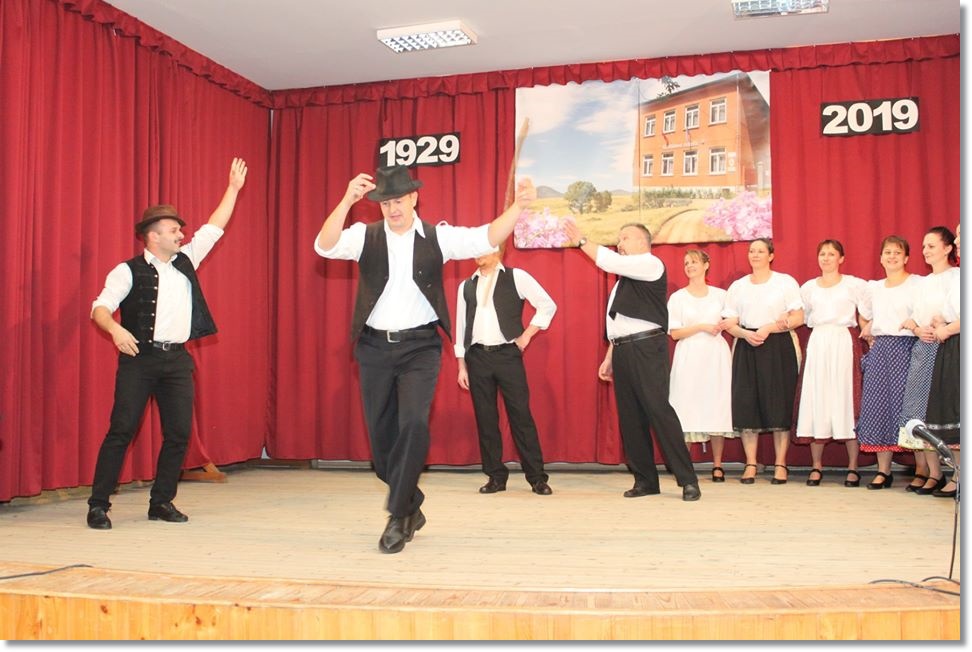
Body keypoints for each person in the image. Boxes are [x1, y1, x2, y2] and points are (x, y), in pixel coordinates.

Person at [315, 164, 535, 554]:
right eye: (385, 202)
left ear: (414, 198)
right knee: (381, 447)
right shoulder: (365, 236)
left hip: (420, 348)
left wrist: (518, 207)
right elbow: (324, 246)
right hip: (373, 349)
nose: (393, 209)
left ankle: (398, 516)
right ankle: (411, 505)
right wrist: (347, 200)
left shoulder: (438, 237)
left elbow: (486, 235)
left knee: (414, 424)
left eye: (399, 200)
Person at [86, 158, 248, 530]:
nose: (181, 235)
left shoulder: (187, 261)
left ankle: (161, 502)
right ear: (153, 235)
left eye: (180, 230)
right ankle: (98, 505)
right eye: (174, 230)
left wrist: (233, 189)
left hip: (177, 360)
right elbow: (100, 308)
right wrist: (115, 330)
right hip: (139, 360)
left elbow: (215, 227)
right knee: (121, 430)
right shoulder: (127, 270)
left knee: (178, 433)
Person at [564, 220, 701, 502]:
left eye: (625, 238)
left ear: (642, 242)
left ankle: (688, 480)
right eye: (619, 238)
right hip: (623, 350)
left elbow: (610, 261)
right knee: (631, 418)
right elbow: (619, 323)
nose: (620, 243)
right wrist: (610, 355)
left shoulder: (651, 264)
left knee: (658, 411)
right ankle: (645, 480)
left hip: (647, 347)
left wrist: (582, 241)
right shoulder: (623, 281)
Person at [454, 244, 556, 495]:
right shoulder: (466, 286)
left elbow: (547, 305)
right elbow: (461, 326)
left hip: (507, 355)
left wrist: (526, 336)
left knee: (521, 416)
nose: (477, 253)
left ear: (497, 251)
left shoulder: (516, 277)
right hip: (477, 357)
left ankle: (537, 478)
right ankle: (495, 477)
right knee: (486, 419)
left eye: (483, 248)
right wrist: (461, 365)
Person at [720, 238, 804, 485]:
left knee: (780, 404)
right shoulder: (738, 287)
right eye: (751, 251)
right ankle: (750, 463)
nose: (755, 255)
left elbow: (798, 317)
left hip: (779, 346)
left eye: (760, 251)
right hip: (747, 345)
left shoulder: (785, 282)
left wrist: (769, 328)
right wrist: (745, 334)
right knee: (747, 404)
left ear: (771, 255)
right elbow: (729, 323)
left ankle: (780, 464)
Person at [795, 240, 868, 487]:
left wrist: (869, 330)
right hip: (818, 344)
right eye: (822, 254)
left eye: (831, 254)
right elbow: (799, 315)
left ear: (841, 258)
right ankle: (816, 466)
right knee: (818, 399)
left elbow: (866, 314)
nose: (826, 258)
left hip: (843, 343)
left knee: (846, 399)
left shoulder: (854, 285)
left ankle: (853, 466)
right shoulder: (808, 288)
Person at [898, 226, 959, 495]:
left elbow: (953, 315)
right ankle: (934, 473)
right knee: (920, 410)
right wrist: (917, 329)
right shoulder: (922, 283)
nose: (925, 251)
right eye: (923, 246)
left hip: (945, 349)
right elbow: (912, 317)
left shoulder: (956, 277)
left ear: (948, 248)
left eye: (932, 246)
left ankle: (957, 474)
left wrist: (940, 327)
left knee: (944, 411)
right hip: (923, 350)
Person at [856, 236, 921, 490]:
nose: (892, 256)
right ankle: (883, 471)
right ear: (881, 258)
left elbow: (924, 313)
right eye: (887, 252)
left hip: (908, 348)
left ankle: (923, 470)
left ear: (906, 258)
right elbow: (864, 315)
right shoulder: (874, 288)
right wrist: (869, 330)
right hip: (881, 349)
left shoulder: (916, 284)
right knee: (878, 407)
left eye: (897, 252)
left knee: (909, 407)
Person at [667, 249, 734, 482]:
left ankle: (717, 465)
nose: (689, 266)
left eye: (694, 262)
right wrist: (702, 326)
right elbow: (675, 333)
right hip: (688, 355)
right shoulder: (678, 298)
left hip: (715, 356)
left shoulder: (721, 295)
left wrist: (729, 324)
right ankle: (684, 466)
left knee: (716, 405)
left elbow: (733, 320)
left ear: (706, 265)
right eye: (686, 263)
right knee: (684, 406)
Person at [925, 223, 960, 498]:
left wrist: (947, 329)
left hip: (956, 341)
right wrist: (941, 322)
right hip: (952, 343)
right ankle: (957, 475)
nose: (958, 240)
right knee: (952, 410)